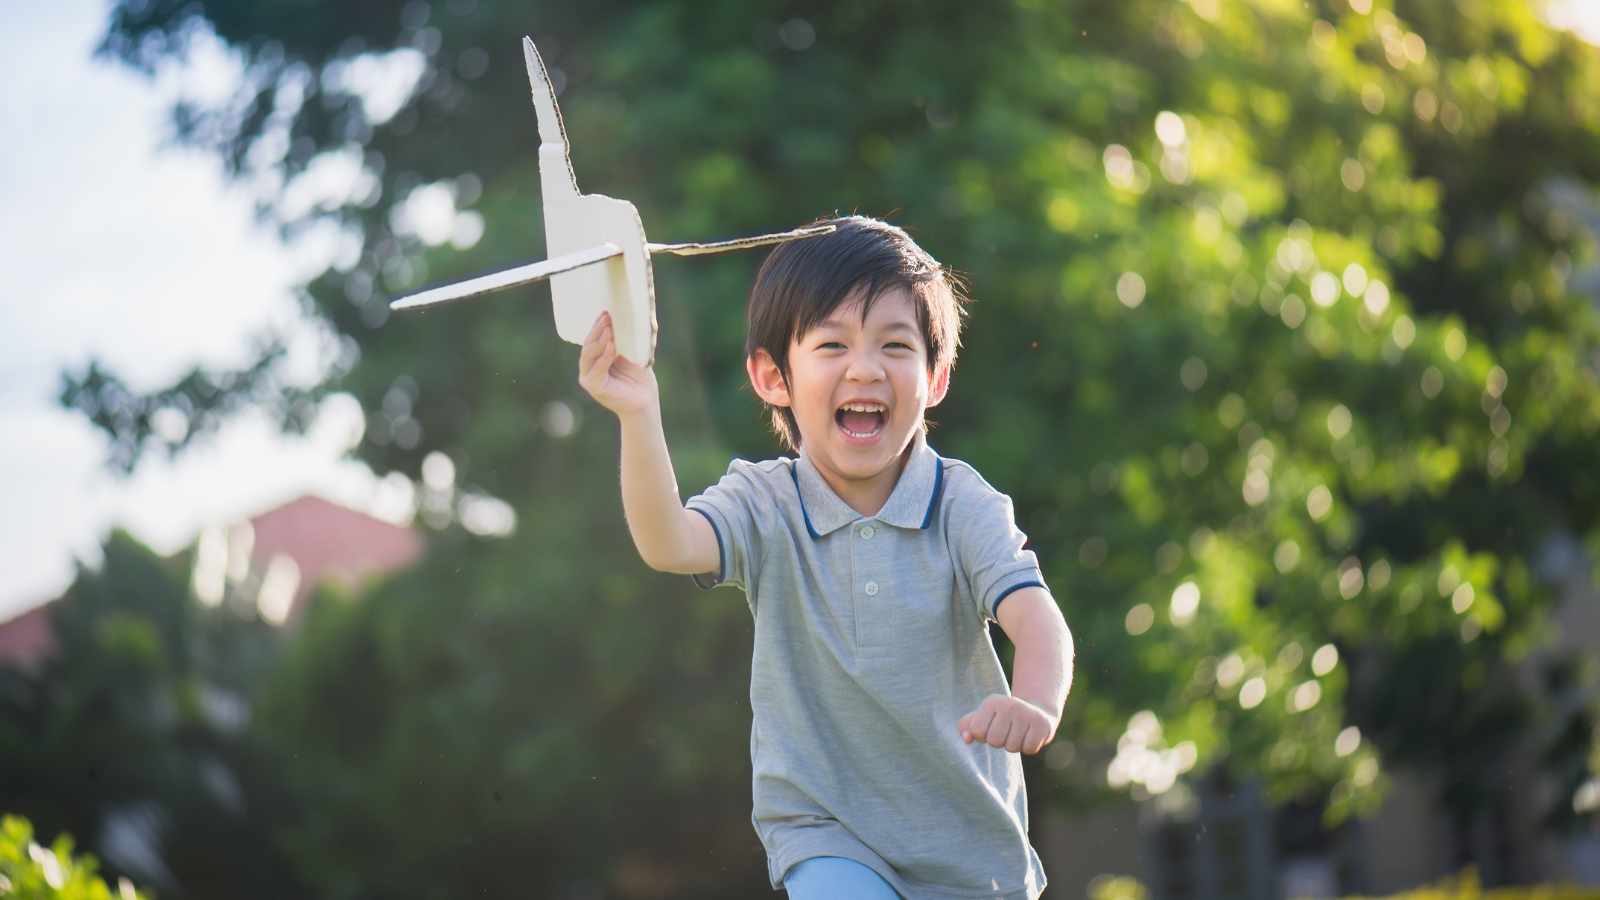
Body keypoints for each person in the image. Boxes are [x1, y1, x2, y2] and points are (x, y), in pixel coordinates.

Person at [577, 215, 1074, 899]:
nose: (864, 368)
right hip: (826, 831)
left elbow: (1037, 619)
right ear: (772, 376)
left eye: (896, 346)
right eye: (833, 344)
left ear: (935, 380)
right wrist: (638, 415)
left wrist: (1036, 702)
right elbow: (669, 543)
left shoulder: (963, 505)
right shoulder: (764, 502)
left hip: (969, 851)